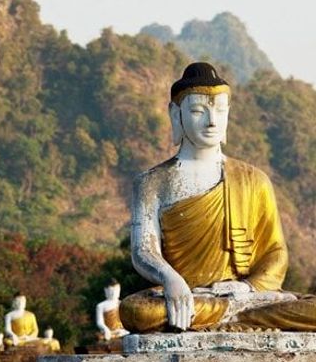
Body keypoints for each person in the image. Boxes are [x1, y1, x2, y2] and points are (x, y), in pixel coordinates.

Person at [120, 62, 316, 332]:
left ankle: (232, 314)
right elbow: (144, 251)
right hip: (189, 295)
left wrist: (247, 287)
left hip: (245, 296)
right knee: (137, 313)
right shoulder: (152, 182)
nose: (212, 121)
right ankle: (236, 317)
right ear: (176, 115)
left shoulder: (254, 179)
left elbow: (275, 253)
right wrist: (170, 279)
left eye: (220, 110)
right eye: (199, 111)